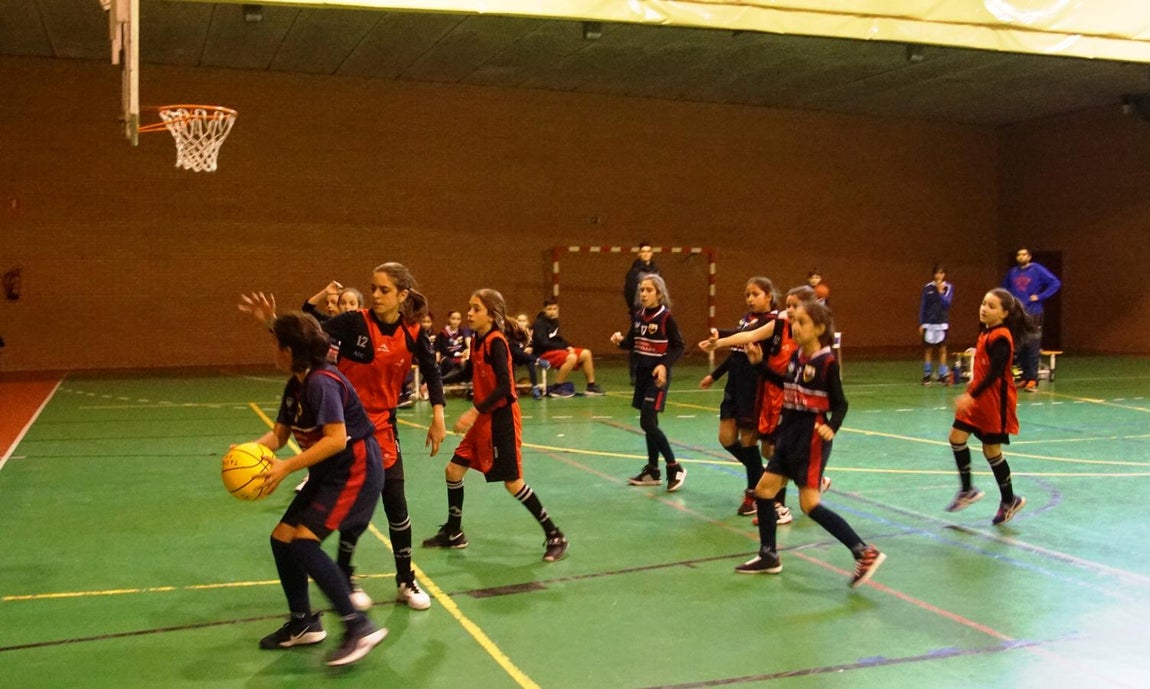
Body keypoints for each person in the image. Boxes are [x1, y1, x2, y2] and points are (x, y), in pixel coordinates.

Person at [240, 262, 447, 614]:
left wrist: (438, 415)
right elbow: (309, 332)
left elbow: (430, 368)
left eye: (384, 290)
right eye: (374, 288)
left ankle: (405, 579)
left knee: (396, 504)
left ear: (402, 295)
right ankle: (346, 576)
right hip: (345, 425)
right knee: (353, 511)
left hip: (382, 425)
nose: (376, 295)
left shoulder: (412, 332)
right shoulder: (355, 323)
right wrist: (272, 322)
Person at [245, 312, 387, 666]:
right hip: (329, 469)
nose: (272, 350)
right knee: (282, 539)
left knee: (304, 544)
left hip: (355, 466)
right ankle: (303, 623)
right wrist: (248, 451)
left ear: (290, 351)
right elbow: (279, 435)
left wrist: (286, 467)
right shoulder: (295, 384)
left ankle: (359, 627)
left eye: (276, 344)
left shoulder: (322, 383)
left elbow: (336, 440)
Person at [735, 300, 886, 588]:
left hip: (810, 439)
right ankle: (768, 555)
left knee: (809, 504)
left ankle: (864, 552)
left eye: (802, 322)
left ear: (818, 328)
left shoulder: (826, 362)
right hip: (789, 434)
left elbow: (840, 403)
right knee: (764, 491)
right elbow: (784, 383)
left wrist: (832, 426)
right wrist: (759, 366)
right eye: (794, 322)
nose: (795, 326)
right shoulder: (797, 356)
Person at [422, 288, 570, 562]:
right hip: (483, 419)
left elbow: (504, 386)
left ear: (491, 315)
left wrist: (473, 412)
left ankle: (555, 534)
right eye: (470, 307)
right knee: (453, 470)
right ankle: (454, 532)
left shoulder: (496, 342)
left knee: (513, 483)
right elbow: (468, 371)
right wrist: (436, 382)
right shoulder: (477, 342)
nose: (469, 313)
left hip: (501, 419)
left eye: (476, 308)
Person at [944, 288, 1036, 525]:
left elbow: (995, 373)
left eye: (991, 306)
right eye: (984, 303)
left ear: (1004, 313)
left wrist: (971, 395)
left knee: (991, 451)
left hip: (994, 401)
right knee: (956, 437)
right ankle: (967, 490)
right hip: (978, 398)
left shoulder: (1002, 337)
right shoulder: (988, 332)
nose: (984, 308)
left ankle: (1009, 500)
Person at [699, 277, 774, 515]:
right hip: (734, 386)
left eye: (755, 294)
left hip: (753, 388)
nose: (750, 299)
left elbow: (746, 336)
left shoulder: (772, 322)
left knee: (750, 440)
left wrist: (719, 334)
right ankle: (762, 475)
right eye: (747, 294)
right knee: (726, 438)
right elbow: (736, 352)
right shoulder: (746, 319)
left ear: (769, 296)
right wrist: (715, 375)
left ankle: (754, 492)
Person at [611, 274, 687, 491]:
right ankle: (653, 470)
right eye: (641, 290)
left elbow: (679, 346)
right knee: (650, 422)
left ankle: (675, 466)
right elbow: (631, 342)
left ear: (659, 294)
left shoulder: (666, 318)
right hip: (642, 375)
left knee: (646, 421)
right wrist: (619, 342)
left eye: (648, 290)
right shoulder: (638, 316)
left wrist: (664, 365)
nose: (643, 294)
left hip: (658, 377)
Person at [1001, 248, 1061, 392]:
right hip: (1017, 314)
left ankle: (1033, 379)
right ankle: (1025, 377)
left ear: (1029, 256)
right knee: (1018, 346)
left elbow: (1055, 283)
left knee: (1032, 345)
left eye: (1023, 254)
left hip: (1033, 313)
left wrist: (1040, 296)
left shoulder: (1037, 270)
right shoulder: (1012, 272)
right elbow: (1004, 290)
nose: (1021, 257)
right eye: (1018, 254)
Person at [532, 298, 605, 398]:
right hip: (544, 354)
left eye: (554, 309)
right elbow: (543, 343)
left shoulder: (555, 322)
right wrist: (564, 348)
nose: (552, 311)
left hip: (557, 351)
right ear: (544, 310)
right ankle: (557, 388)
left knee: (586, 353)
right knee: (572, 357)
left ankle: (591, 386)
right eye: (549, 309)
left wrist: (568, 346)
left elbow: (558, 339)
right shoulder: (539, 323)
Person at [624, 242, 660, 384]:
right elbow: (628, 292)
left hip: (655, 311)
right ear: (639, 254)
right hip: (639, 310)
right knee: (637, 342)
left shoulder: (656, 270)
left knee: (655, 341)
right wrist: (635, 308)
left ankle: (654, 371)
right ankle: (635, 374)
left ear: (652, 253)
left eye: (648, 251)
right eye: (643, 251)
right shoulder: (634, 272)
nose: (645, 253)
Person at [919, 264, 954, 385]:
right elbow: (923, 306)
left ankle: (943, 374)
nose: (938, 275)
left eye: (941, 273)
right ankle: (927, 375)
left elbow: (947, 305)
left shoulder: (949, 287)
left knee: (942, 349)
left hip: (942, 323)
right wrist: (921, 323)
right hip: (929, 323)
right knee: (928, 349)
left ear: (944, 275)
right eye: (936, 273)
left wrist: (940, 292)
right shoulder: (927, 288)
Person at [510, 312, 549, 400]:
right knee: (514, 353)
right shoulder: (512, 332)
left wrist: (532, 347)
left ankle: (535, 388)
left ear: (528, 322)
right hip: (515, 357)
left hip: (527, 357)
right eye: (519, 320)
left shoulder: (531, 333)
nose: (521, 323)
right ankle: (512, 388)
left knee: (530, 363)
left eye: (524, 321)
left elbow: (536, 344)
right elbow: (512, 347)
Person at [435, 310, 472, 381]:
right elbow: (443, 349)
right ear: (448, 319)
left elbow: (464, 346)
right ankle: (445, 381)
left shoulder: (462, 332)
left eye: (458, 319)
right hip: (447, 357)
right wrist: (457, 354)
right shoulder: (443, 333)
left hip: (461, 356)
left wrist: (465, 351)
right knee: (449, 364)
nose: (455, 321)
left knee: (467, 364)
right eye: (453, 318)